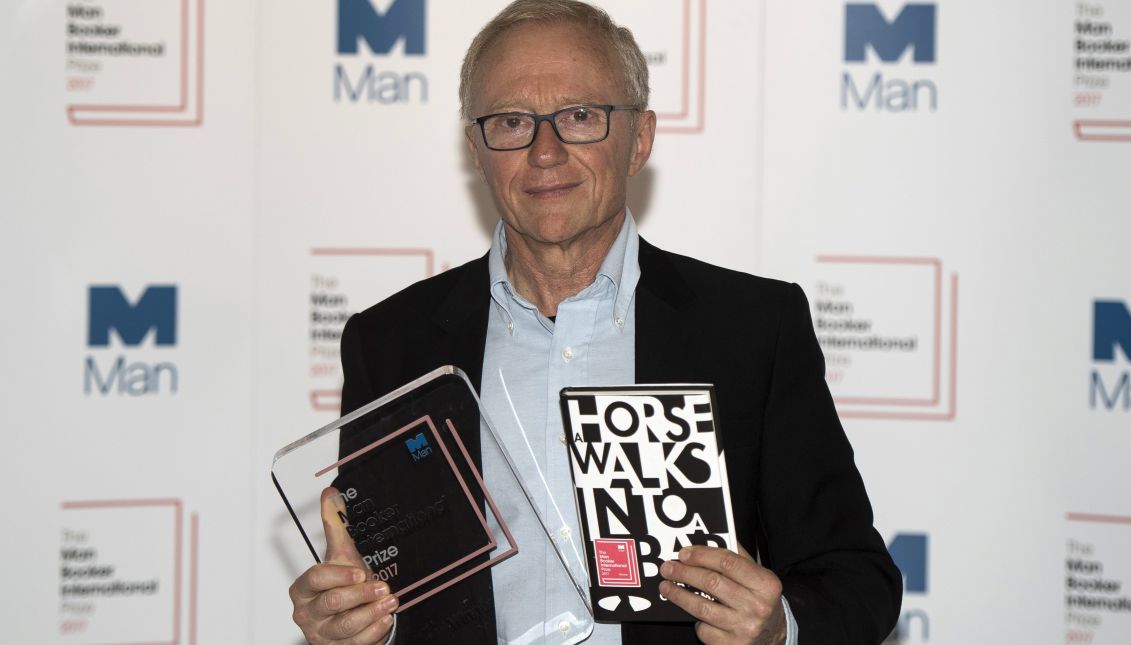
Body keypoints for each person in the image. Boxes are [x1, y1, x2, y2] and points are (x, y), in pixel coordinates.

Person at [288, 1, 902, 643]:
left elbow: (858, 580)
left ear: (640, 139)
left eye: (580, 117)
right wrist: (356, 624)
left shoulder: (754, 330)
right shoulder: (391, 343)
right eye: (511, 121)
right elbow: (384, 585)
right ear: (477, 148)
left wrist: (779, 627)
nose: (544, 151)